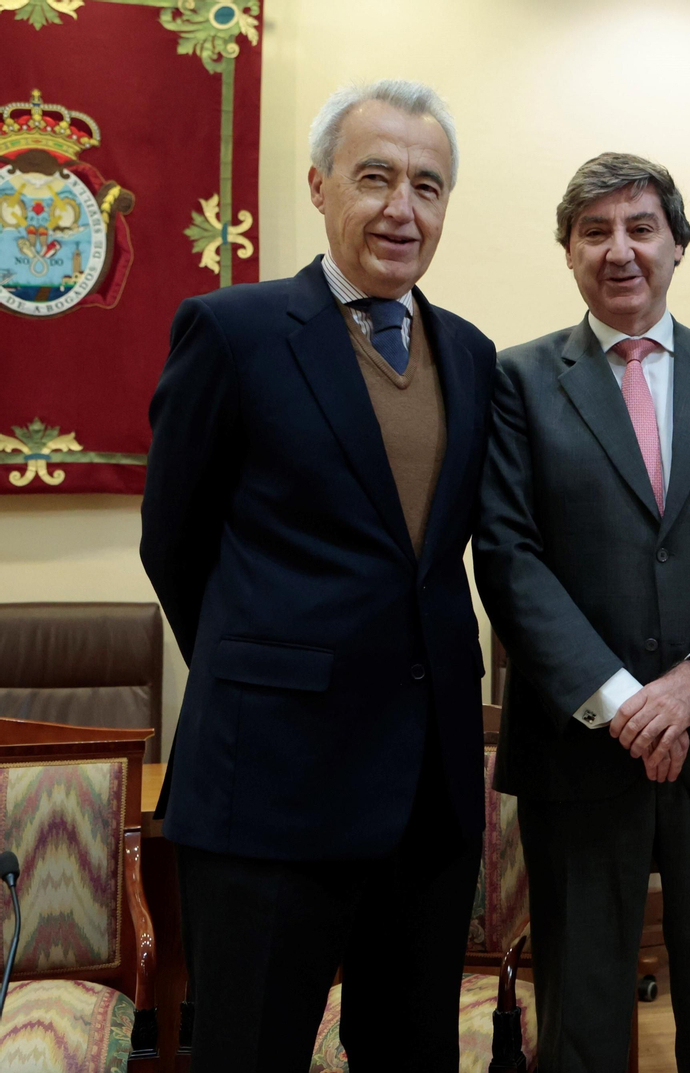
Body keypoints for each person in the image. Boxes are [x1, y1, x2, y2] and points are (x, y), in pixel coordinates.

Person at [140, 80, 496, 1071]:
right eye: (374, 177)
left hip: (426, 801)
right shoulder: (233, 331)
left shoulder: (468, 354)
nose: (401, 208)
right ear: (318, 185)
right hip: (269, 790)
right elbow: (173, 541)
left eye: (428, 186)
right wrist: (264, 672)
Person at [475, 152, 690, 1073]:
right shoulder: (519, 379)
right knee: (582, 1014)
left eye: (640, 227)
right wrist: (623, 699)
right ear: (569, 251)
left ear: (676, 245)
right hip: (582, 749)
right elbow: (508, 556)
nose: (619, 250)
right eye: (595, 232)